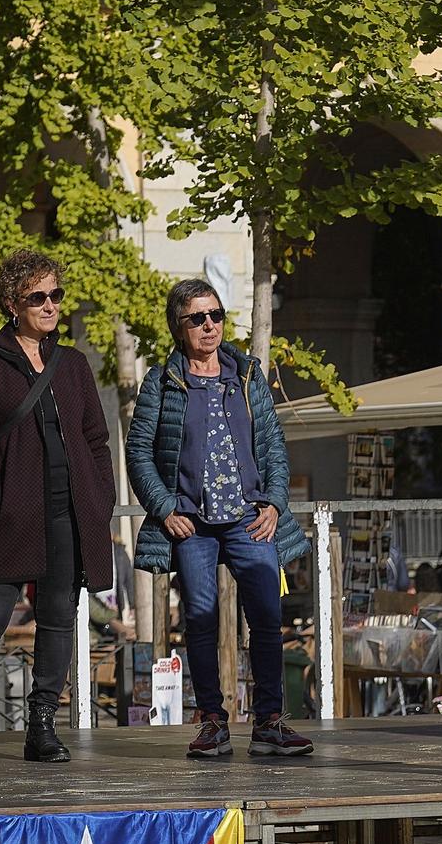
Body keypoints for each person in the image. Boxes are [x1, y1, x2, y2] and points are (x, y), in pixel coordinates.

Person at [0, 249, 117, 767]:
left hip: (70, 513)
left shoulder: (73, 365)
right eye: (39, 297)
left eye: (56, 295)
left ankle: (42, 729)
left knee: (59, 620)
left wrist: (100, 498)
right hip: (10, 516)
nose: (51, 305)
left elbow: (96, 440)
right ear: (13, 304)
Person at [127, 278, 313, 759]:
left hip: (250, 518)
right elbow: (139, 452)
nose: (210, 326)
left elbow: (272, 444)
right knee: (201, 621)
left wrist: (273, 503)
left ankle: (270, 722)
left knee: (268, 619)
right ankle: (212, 721)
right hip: (192, 521)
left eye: (216, 316)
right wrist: (165, 509)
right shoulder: (162, 381)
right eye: (197, 318)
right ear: (179, 326)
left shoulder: (247, 373)